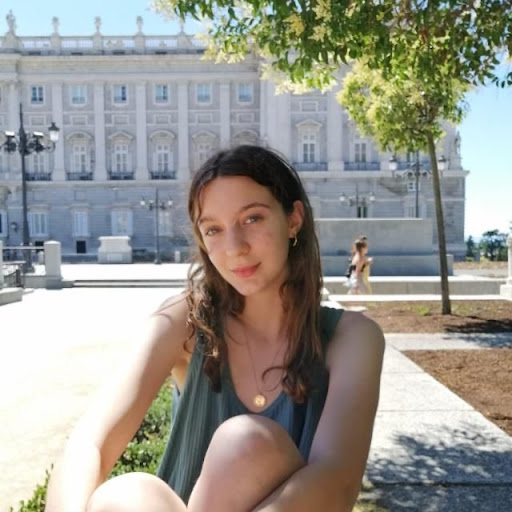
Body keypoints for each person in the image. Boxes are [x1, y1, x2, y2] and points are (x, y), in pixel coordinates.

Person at [45, 144, 385, 512]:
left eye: (252, 218)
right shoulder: (184, 322)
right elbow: (89, 442)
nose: (234, 247)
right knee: (126, 495)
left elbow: (337, 480)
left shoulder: (352, 339)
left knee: (246, 443)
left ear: (293, 219)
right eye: (213, 229)